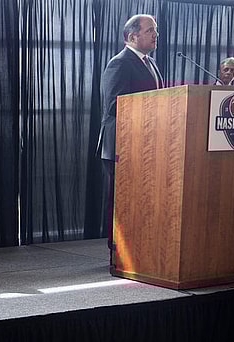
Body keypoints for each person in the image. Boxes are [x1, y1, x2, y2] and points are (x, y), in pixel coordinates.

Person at [97, 14, 164, 250]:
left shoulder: (150, 62)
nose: (156, 34)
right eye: (150, 30)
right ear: (132, 36)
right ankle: (117, 250)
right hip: (121, 144)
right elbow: (115, 104)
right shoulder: (120, 62)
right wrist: (151, 105)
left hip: (146, 143)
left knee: (142, 198)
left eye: (155, 30)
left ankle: (139, 248)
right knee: (121, 199)